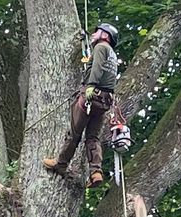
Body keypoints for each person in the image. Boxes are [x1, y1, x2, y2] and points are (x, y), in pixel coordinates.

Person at [44, 23, 125, 185]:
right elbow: (94, 64)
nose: (94, 34)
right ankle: (95, 171)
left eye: (98, 32)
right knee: (93, 137)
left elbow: (96, 67)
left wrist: (91, 85)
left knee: (74, 134)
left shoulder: (101, 47)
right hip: (104, 100)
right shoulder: (111, 54)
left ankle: (61, 164)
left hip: (92, 96)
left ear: (106, 36)